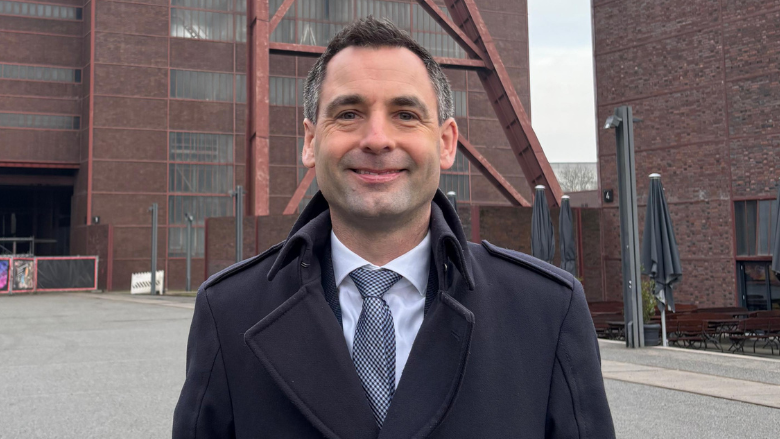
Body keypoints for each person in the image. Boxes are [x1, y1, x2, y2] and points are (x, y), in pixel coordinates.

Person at [173, 17, 614, 439]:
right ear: (310, 141)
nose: (378, 139)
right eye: (349, 114)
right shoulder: (228, 312)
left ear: (446, 143)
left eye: (405, 114)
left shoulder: (547, 311)